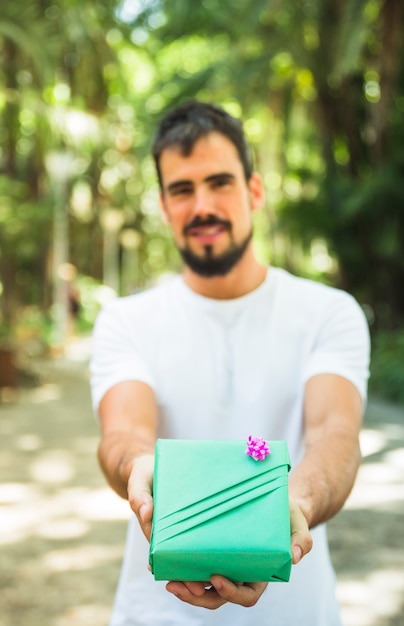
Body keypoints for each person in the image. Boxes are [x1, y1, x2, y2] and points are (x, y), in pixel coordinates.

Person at [90, 100, 370, 626]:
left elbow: (335, 431)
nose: (202, 206)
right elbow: (123, 431)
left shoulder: (328, 312)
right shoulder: (125, 321)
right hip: (155, 615)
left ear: (254, 190)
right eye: (182, 189)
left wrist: (297, 505)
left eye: (219, 182)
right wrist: (138, 468)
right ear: (164, 205)